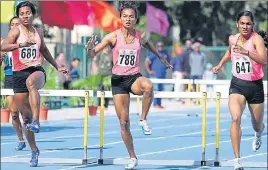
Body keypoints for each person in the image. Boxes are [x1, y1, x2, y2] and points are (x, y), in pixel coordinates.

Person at [85, 2, 172, 169]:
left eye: (131, 16)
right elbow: (92, 53)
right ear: (120, 18)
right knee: (124, 122)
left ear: (136, 19)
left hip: (134, 77)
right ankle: (132, 157)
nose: (128, 19)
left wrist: (161, 58)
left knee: (148, 86)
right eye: (125, 16)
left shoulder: (141, 36)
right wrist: (89, 49)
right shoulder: (112, 37)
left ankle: (143, 118)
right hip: (118, 81)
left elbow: (150, 46)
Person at [1, 1, 68, 167]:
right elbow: (3, 46)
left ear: (33, 14)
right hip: (18, 74)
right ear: (18, 15)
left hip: (36, 70)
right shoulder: (15, 31)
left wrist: (56, 65)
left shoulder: (38, 32)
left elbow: (44, 50)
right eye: (22, 13)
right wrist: (20, 45)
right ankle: (34, 150)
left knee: (32, 83)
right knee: (25, 117)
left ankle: (37, 121)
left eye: (28, 13)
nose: (25, 16)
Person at [212, 11, 267, 170]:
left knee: (257, 125)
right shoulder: (232, 38)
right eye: (242, 23)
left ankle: (258, 133)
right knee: (235, 118)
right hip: (237, 84)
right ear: (237, 23)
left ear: (252, 25)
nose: (245, 26)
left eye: (248, 23)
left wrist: (247, 53)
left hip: (255, 86)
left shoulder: (256, 39)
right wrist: (220, 64)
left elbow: (264, 61)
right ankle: (237, 160)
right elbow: (230, 51)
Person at [1, 16, 26, 151]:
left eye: (18, 24)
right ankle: (21, 139)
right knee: (14, 113)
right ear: (10, 27)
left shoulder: (26, 42)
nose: (15, 26)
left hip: (22, 77)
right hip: (10, 78)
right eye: (13, 24)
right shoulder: (3, 43)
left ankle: (30, 133)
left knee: (24, 112)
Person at [145, 41, 171, 109]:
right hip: (155, 75)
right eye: (158, 46)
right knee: (155, 90)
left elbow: (168, 61)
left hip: (162, 75)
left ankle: (159, 104)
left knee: (161, 90)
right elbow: (147, 61)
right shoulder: (154, 53)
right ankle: (155, 104)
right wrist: (149, 71)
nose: (160, 47)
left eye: (161, 45)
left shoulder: (165, 53)